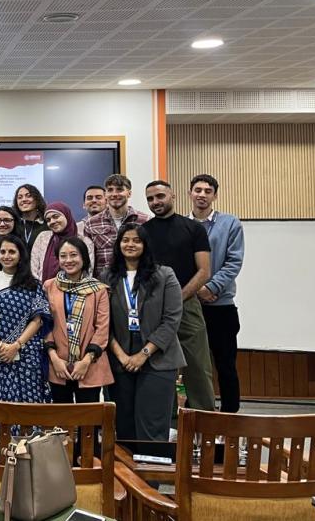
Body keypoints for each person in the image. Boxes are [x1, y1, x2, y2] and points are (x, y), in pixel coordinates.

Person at [104, 224, 185, 441]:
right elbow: (102, 323)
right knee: (124, 428)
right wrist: (122, 356)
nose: (130, 244)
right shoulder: (107, 277)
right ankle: (126, 475)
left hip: (158, 358)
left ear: (145, 245)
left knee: (152, 427)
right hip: (120, 360)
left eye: (136, 240)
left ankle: (153, 476)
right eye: (125, 240)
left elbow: (171, 320)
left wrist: (143, 355)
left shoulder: (165, 275)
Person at [143, 180, 215, 412]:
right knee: (160, 368)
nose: (156, 202)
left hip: (188, 306)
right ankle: (169, 425)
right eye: (151, 199)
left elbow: (204, 271)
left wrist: (177, 299)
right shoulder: (143, 232)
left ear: (173, 196)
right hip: (153, 310)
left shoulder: (194, 229)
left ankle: (206, 423)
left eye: (160, 196)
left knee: (197, 366)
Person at [0, 235, 52, 461]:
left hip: (27, 356)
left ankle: (30, 463)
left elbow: (38, 319)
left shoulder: (33, 283)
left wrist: (17, 345)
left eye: (12, 251)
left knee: (27, 408)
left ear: (21, 254)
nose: (6, 256)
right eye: (2, 252)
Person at [189, 174, 244, 413]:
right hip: (190, 307)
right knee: (194, 366)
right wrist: (194, 291)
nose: (202, 194)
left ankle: (231, 415)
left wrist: (211, 287)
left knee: (226, 365)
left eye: (207, 191)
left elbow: (234, 261)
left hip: (221, 307)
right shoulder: (181, 224)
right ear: (190, 193)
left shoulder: (231, 223)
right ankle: (197, 413)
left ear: (215, 195)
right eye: (198, 190)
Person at [43, 237, 113, 403]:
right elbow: (45, 324)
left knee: (89, 423)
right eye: (63, 256)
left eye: (73, 255)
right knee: (60, 422)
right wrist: (54, 358)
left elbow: (102, 328)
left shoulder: (99, 289)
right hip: (58, 364)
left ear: (84, 258)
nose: (68, 260)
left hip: (90, 364)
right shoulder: (49, 286)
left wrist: (86, 361)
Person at [83, 174, 149, 278]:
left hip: (138, 282)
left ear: (129, 193)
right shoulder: (91, 223)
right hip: (104, 285)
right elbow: (88, 260)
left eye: (119, 190)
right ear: (105, 195)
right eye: (110, 190)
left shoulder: (144, 221)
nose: (114, 194)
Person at [31, 202, 95, 282]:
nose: (52, 221)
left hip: (77, 290)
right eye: (48, 220)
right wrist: (42, 289)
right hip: (44, 290)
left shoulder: (84, 241)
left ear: (67, 215)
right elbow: (34, 268)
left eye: (56, 216)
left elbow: (88, 271)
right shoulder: (43, 238)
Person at [13, 184, 48, 251]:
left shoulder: (46, 225)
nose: (24, 200)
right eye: (20, 197)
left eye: (28, 196)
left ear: (37, 199)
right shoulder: (13, 225)